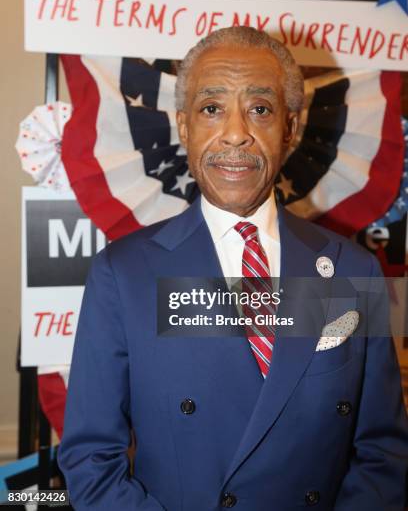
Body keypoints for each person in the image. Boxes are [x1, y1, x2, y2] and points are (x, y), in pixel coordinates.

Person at [58, 27, 408, 510]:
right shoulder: (124, 275)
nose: (236, 132)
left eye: (260, 109)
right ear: (184, 126)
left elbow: (383, 453)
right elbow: (91, 458)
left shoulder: (353, 272)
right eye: (211, 108)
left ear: (290, 127)